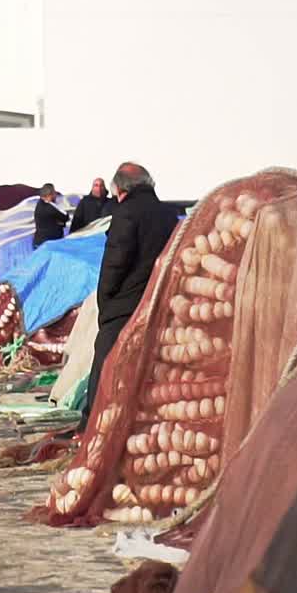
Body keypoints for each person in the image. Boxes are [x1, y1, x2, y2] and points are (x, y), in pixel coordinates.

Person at [79, 162, 178, 434]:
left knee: (106, 362)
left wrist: (105, 301)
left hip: (125, 302)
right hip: (157, 299)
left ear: (121, 190)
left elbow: (115, 261)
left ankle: (93, 424)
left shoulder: (126, 214)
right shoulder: (168, 215)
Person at [33, 183, 69, 247]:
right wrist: (60, 223)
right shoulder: (51, 207)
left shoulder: (39, 204)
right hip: (51, 243)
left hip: (39, 241)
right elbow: (66, 217)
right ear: (50, 195)